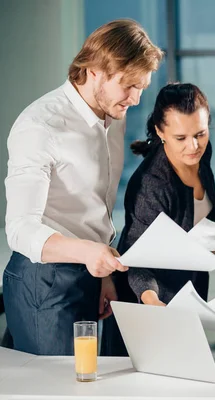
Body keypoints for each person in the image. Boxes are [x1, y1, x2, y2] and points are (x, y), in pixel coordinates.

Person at [3, 19, 163, 355]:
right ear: (94, 71)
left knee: (89, 382)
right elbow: (19, 229)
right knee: (60, 389)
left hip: (90, 273)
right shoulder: (39, 126)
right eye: (128, 86)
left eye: (141, 88)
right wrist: (89, 254)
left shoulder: (112, 116)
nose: (135, 99)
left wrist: (100, 273)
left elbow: (95, 208)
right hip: (43, 280)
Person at [101, 83, 215, 355]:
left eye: (200, 133)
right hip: (147, 302)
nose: (194, 145)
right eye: (181, 138)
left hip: (186, 292)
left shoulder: (203, 151)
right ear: (160, 131)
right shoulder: (151, 184)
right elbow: (136, 257)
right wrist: (151, 301)